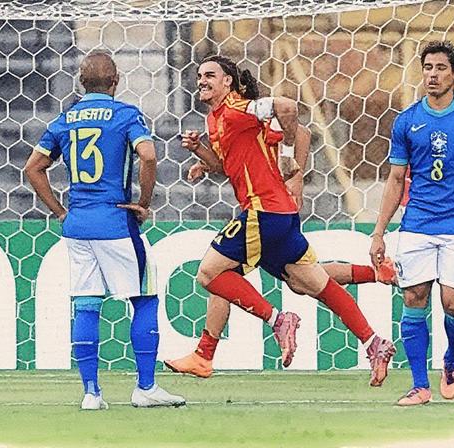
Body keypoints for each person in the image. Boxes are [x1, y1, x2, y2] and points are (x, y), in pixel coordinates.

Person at [165, 55, 395, 386]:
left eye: (210, 75)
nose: (201, 80)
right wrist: (200, 154)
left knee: (210, 273)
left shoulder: (239, 110)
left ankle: (274, 321)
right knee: (312, 284)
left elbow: (292, 116)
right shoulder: (215, 120)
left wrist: (292, 167)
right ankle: (374, 342)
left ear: (229, 81)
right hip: (277, 214)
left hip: (265, 210)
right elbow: (226, 163)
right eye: (199, 75)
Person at [23, 50, 185, 410]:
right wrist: (144, 202)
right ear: (115, 81)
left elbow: (34, 167)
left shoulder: (65, 120)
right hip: (116, 222)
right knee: (144, 298)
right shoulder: (126, 114)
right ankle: (145, 388)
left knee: (86, 305)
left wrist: (60, 211)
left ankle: (91, 393)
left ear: (82, 83)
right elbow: (148, 155)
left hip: (78, 225)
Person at [369, 41, 454, 406]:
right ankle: (419, 385)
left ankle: (452, 359)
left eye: (441, 68)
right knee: (414, 297)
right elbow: (396, 180)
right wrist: (379, 231)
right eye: (427, 67)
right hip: (416, 224)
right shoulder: (407, 121)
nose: (433, 74)